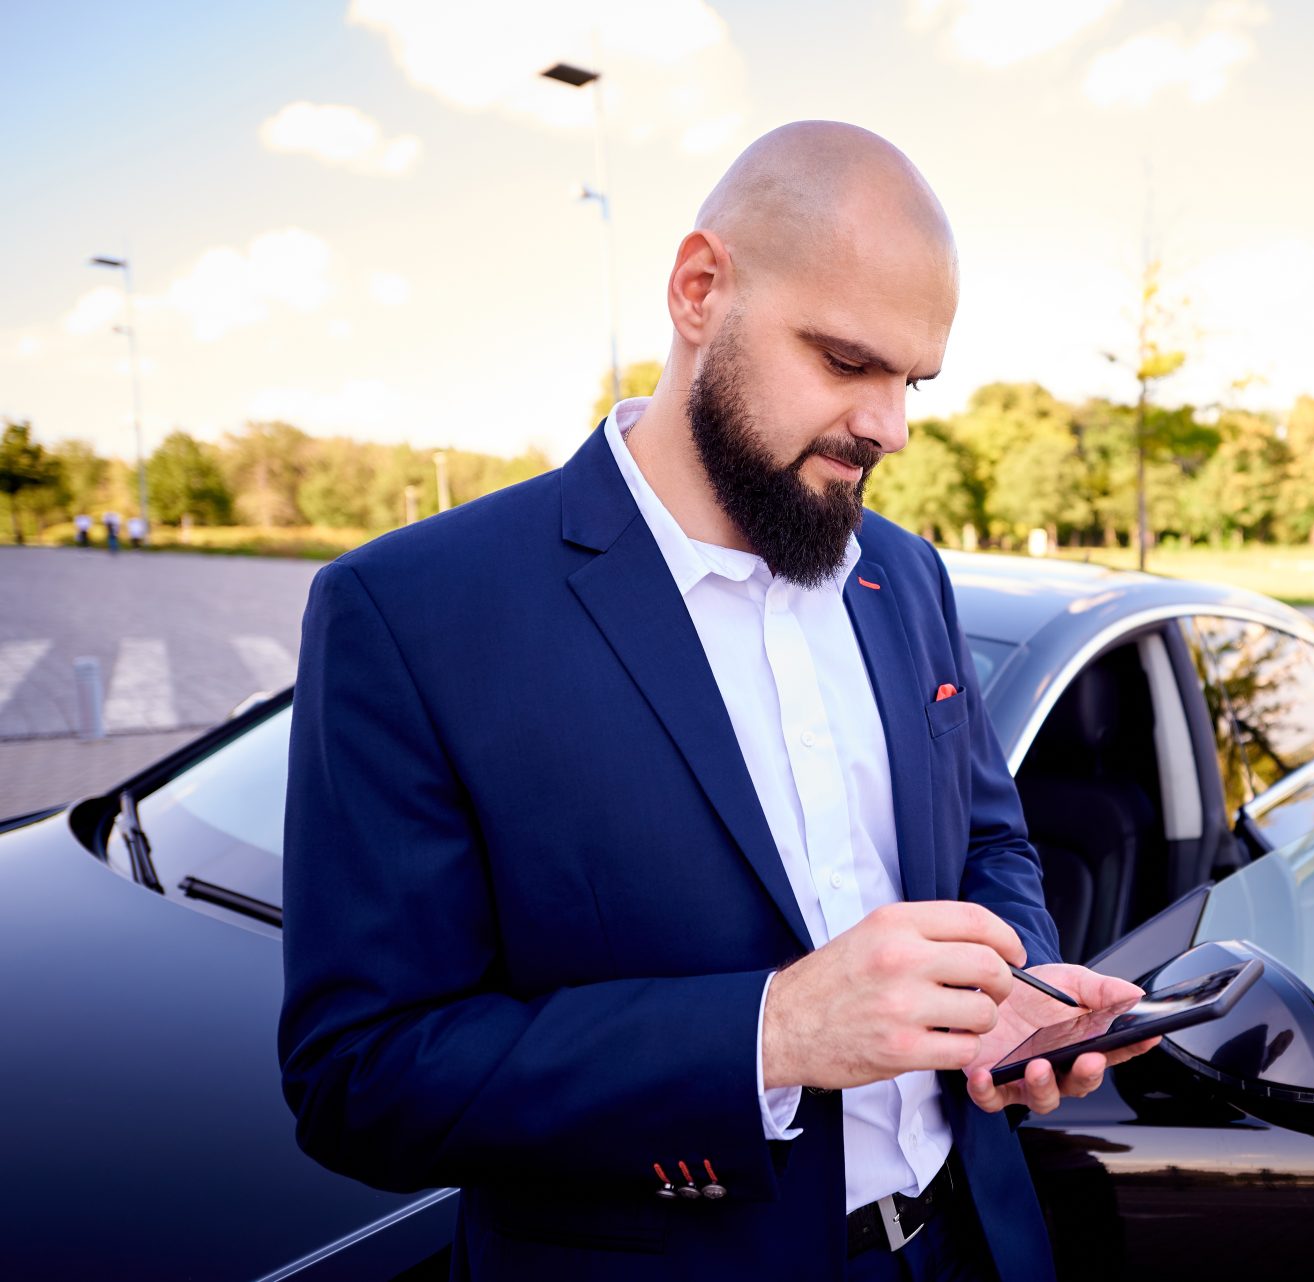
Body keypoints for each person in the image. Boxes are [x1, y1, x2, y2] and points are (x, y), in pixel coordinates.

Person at [278, 121, 1157, 1282]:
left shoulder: (908, 575)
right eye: (848, 363)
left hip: (973, 1244)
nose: (889, 426)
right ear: (701, 290)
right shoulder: (408, 612)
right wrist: (773, 1033)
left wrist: (1012, 986)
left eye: (910, 380)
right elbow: (362, 1077)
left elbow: (991, 842)